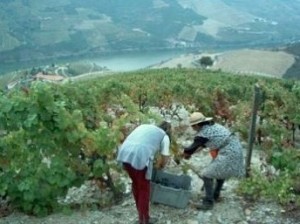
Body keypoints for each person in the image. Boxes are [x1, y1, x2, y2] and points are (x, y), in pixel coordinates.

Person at [182, 112, 245, 210]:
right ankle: (215, 195)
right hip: (234, 148)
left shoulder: (203, 133)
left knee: (207, 174)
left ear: (197, 125)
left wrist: (185, 154)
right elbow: (201, 146)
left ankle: (208, 202)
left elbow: (191, 148)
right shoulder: (210, 127)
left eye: (193, 126)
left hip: (230, 152)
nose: (192, 128)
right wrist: (190, 153)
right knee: (219, 172)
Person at [117, 121, 171, 224]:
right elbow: (165, 157)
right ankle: (144, 220)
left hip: (124, 153)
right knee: (144, 189)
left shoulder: (146, 127)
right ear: (167, 130)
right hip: (139, 155)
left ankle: (141, 216)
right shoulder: (164, 136)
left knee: (136, 184)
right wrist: (161, 167)